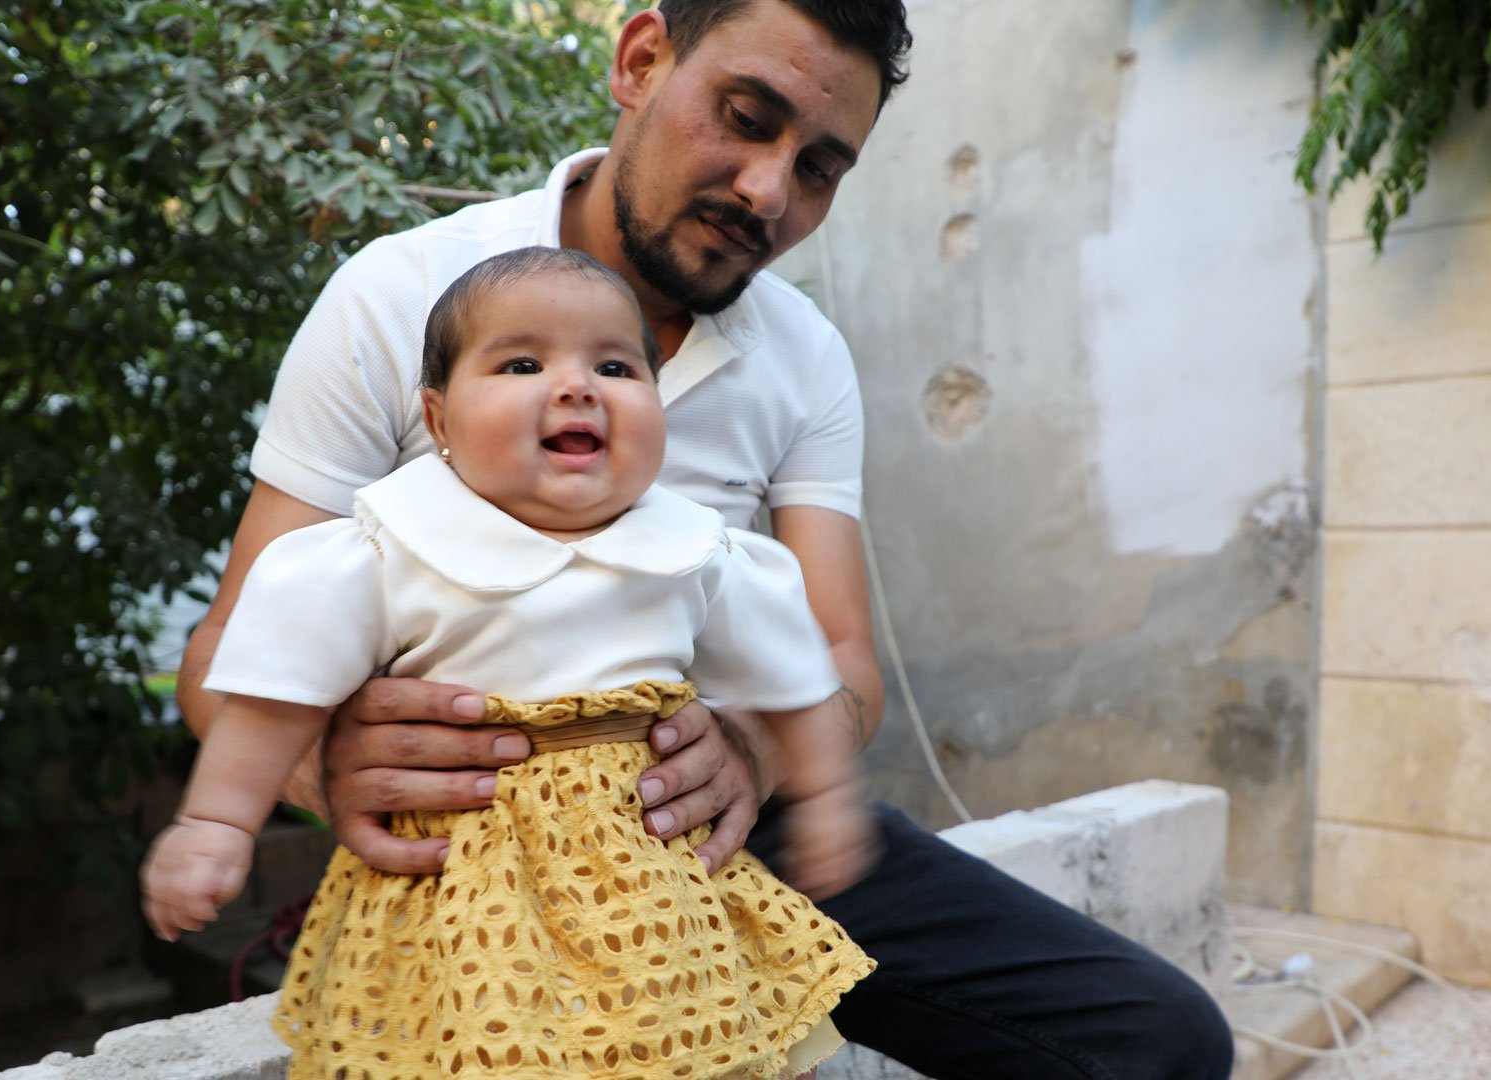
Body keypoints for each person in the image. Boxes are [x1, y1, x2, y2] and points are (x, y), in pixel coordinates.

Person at [175, 1, 1236, 1077]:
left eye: (820, 169)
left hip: (715, 816)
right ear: (640, 59)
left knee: (1160, 1042)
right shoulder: (401, 295)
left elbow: (840, 662)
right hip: (470, 836)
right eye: (744, 116)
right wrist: (327, 760)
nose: (769, 193)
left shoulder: (802, 355)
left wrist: (760, 753)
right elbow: (228, 651)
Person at [144, 247, 877, 1078]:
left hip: (653, 884)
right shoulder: (387, 550)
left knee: (713, 1046)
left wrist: (824, 799)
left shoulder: (693, 551)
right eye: (523, 363)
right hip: (460, 893)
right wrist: (216, 822)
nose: (577, 386)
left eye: (615, 365)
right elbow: (279, 699)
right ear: (438, 419)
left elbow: (794, 681)